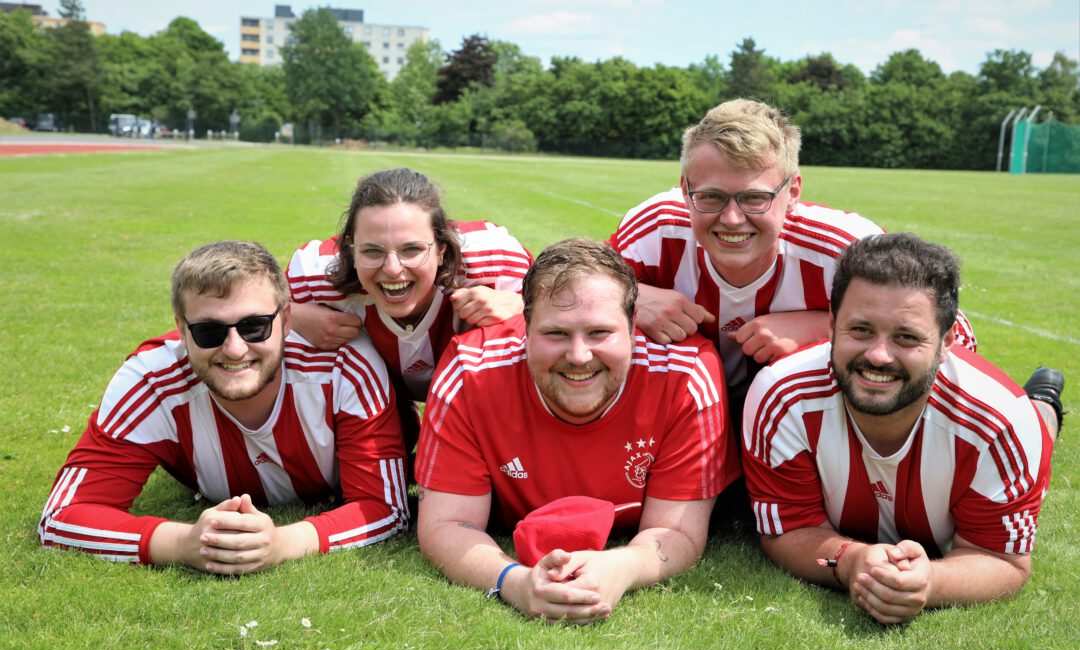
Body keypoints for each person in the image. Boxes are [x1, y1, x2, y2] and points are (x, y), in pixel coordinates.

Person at [741, 232, 1063, 624]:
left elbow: (1004, 560)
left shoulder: (1002, 422)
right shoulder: (781, 397)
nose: (878, 355)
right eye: (860, 330)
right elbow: (787, 528)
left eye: (906, 337)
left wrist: (932, 581)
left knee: (1038, 426)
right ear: (831, 324)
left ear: (947, 342)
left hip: (1014, 418)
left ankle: (1044, 403)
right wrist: (849, 560)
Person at [415, 238, 740, 623]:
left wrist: (623, 567)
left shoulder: (687, 376)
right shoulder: (470, 372)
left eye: (600, 333)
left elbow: (677, 531)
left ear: (634, 328)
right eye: (556, 334)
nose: (579, 356)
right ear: (526, 327)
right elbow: (446, 523)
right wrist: (514, 581)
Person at [39, 241, 409, 574]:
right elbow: (60, 518)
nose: (234, 349)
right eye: (210, 332)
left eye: (255, 327)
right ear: (182, 331)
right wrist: (183, 544)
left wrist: (284, 544)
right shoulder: (150, 380)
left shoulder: (344, 366)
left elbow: (385, 507)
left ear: (287, 320)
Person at [610, 99, 977, 408]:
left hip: (802, 423)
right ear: (685, 188)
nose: (733, 218)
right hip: (688, 415)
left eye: (756, 198)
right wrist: (629, 298)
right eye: (710, 196)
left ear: (794, 191)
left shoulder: (845, 249)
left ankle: (1036, 405)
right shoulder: (654, 229)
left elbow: (953, 334)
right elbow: (560, 295)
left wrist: (826, 327)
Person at [287, 168, 533, 405]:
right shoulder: (314, 274)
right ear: (350, 251)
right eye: (372, 250)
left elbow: (567, 309)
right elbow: (254, 314)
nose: (393, 268)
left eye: (412, 249)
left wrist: (524, 308)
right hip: (377, 402)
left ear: (441, 248)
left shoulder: (495, 261)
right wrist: (290, 316)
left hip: (478, 403)